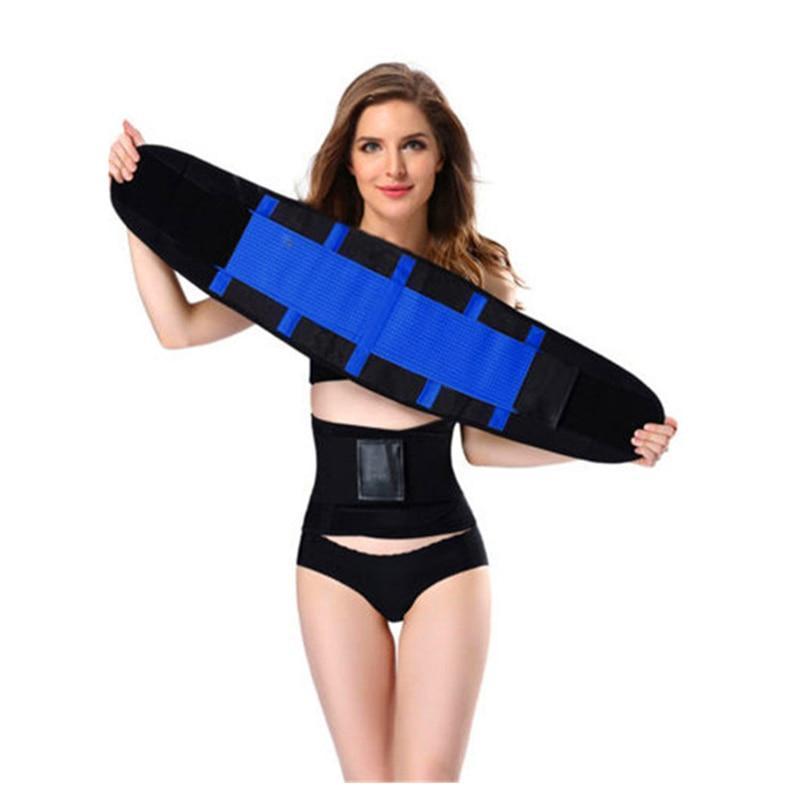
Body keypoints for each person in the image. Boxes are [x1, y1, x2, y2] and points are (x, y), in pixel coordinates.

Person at [108, 62, 678, 783]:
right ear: (349, 160)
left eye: (413, 145)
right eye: (372, 146)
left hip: (445, 559)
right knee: (368, 783)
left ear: (441, 159)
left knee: (427, 780)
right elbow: (180, 329)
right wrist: (136, 211)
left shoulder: (478, 281)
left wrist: (608, 447)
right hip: (332, 562)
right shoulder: (309, 264)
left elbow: (484, 446)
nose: (394, 167)